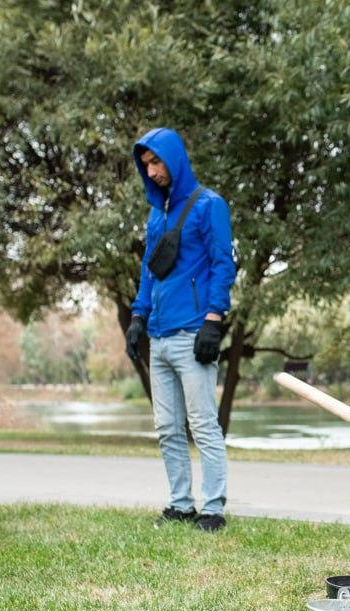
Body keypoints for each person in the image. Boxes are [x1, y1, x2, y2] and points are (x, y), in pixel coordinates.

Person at [124, 128, 237, 533]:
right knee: (167, 427)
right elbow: (149, 273)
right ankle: (180, 503)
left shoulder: (210, 205)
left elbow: (223, 264)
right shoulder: (158, 214)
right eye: (146, 165)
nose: (152, 171)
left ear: (174, 159)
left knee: (203, 423)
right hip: (159, 335)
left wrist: (214, 319)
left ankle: (213, 508)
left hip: (194, 333)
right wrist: (138, 318)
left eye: (157, 162)